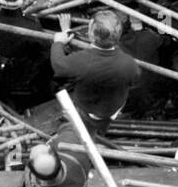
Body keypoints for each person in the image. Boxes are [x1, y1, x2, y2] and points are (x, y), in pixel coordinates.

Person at [50, 9, 139, 137]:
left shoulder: (82, 61)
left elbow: (59, 66)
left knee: (87, 121)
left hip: (89, 108)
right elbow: (134, 78)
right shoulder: (129, 62)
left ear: (91, 35)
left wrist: (58, 42)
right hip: (114, 106)